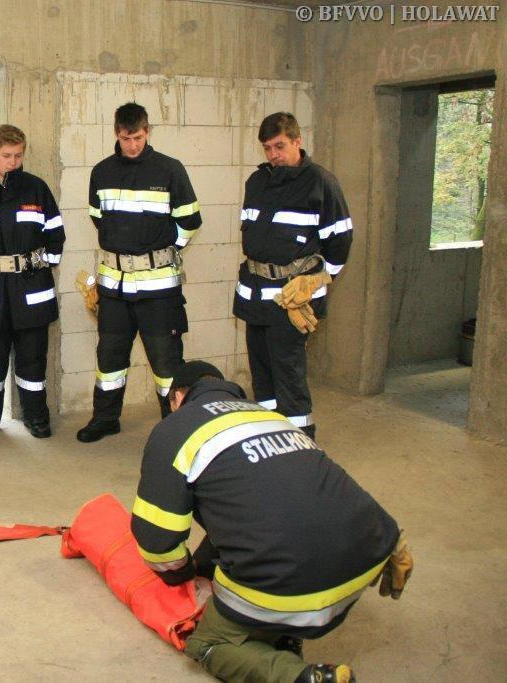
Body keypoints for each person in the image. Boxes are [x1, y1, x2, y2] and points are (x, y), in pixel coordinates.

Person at [132, 361, 412, 683]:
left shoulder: (176, 428)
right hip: (368, 554)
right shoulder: (271, 417)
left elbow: (156, 539)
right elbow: (320, 488)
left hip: (293, 583)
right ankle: (285, 631)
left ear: (178, 397)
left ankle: (302, 676)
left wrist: (182, 577)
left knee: (207, 644)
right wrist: (391, 538)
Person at [77, 102, 202, 444]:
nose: (132, 145)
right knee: (109, 359)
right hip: (114, 289)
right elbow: (99, 219)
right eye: (125, 138)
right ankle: (105, 419)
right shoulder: (101, 172)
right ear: (116, 134)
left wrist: (164, 249)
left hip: (159, 290)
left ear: (147, 132)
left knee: (166, 364)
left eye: (138, 138)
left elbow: (191, 220)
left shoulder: (170, 170)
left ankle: (174, 428)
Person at [233, 112, 353, 439]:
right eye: (267, 148)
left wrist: (317, 280)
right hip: (256, 298)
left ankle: (300, 443)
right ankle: (272, 437)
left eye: (280, 146)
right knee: (262, 376)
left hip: (292, 301)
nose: (273, 154)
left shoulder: (320, 183)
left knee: (288, 376)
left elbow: (340, 242)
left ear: (297, 141)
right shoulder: (257, 182)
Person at [0, 125, 65, 441]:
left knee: (32, 361)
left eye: (18, 155)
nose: (13, 162)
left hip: (31, 289)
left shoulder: (37, 189)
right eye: (6, 155)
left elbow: (56, 234)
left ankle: (36, 417)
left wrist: (40, 265)